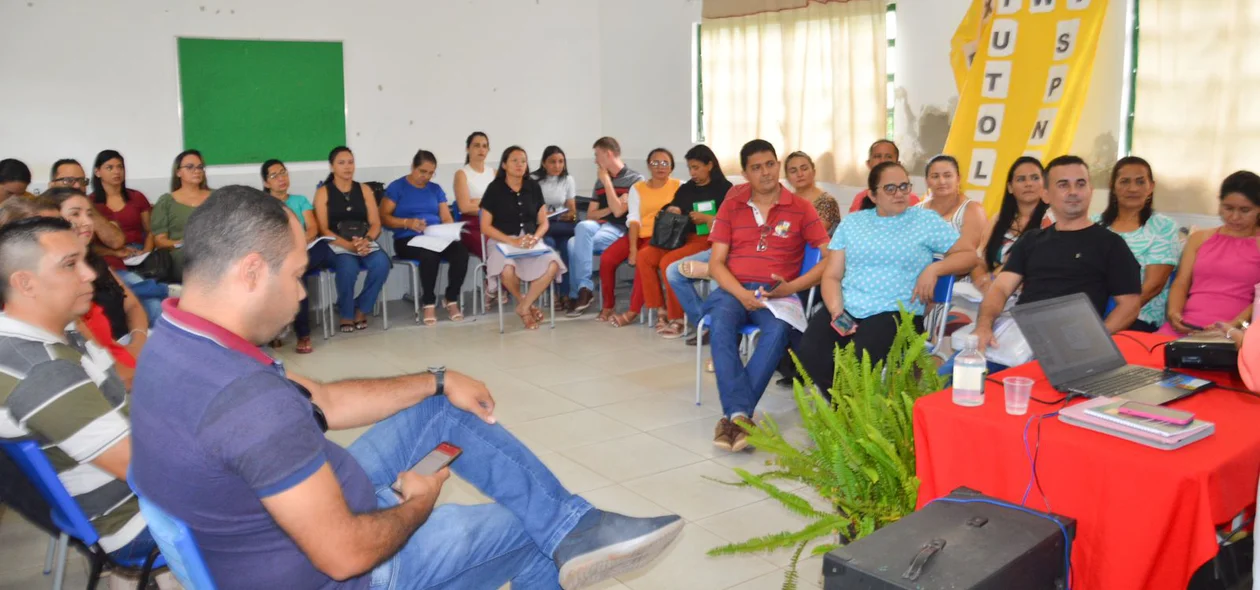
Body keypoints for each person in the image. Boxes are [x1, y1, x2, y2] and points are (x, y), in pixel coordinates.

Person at [129, 185, 682, 589]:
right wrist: (418, 505)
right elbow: (344, 556)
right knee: (527, 525)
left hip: (292, 521)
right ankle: (564, 531)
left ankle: (575, 524)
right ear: (251, 272)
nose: (301, 295)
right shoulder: (246, 403)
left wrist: (436, 379)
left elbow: (322, 400)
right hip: (348, 566)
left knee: (442, 406)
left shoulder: (173, 342)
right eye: (297, 275)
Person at [0, 216, 176, 590]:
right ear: (24, 283)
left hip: (125, 496)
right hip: (134, 519)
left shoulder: (55, 334)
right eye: (69, 264)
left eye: (85, 259)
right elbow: (143, 469)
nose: (90, 275)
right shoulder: (41, 370)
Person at [797, 162, 978, 387]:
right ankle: (847, 413)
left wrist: (935, 268)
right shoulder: (854, 223)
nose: (899, 194)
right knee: (810, 353)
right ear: (873, 195)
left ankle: (850, 415)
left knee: (858, 361)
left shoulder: (925, 221)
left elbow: (969, 256)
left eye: (904, 186)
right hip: (847, 308)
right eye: (890, 188)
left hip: (897, 312)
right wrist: (837, 312)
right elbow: (832, 275)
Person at [706, 140, 831, 452]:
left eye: (770, 164)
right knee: (721, 326)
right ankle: (741, 415)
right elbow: (716, 263)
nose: (766, 173)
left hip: (778, 293)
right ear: (745, 173)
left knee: (776, 331)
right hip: (733, 288)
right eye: (756, 167)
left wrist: (794, 286)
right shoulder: (732, 204)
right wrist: (740, 294)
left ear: (777, 165)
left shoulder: (801, 208)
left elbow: (831, 256)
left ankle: (734, 416)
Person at [974, 155, 1142, 352]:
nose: (1073, 192)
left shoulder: (1111, 245)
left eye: (1080, 184)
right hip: (1019, 335)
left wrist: (1096, 338)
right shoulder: (1031, 241)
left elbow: (1130, 304)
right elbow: (1000, 289)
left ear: (1090, 191)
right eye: (1063, 185)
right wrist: (984, 326)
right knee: (953, 374)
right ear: (1045, 194)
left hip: (1070, 344)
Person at [44, 187, 151, 383]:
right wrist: (134, 354)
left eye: (89, 214)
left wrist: (138, 340)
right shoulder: (56, 278)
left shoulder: (95, 261)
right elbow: (99, 354)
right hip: (106, 362)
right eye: (75, 214)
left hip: (129, 343)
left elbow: (133, 305)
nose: (87, 222)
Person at [646, 145, 733, 339]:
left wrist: (708, 219)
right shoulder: (686, 188)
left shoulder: (725, 189)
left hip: (709, 241)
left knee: (668, 263)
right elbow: (675, 205)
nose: (692, 172)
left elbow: (731, 222)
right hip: (681, 238)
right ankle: (662, 311)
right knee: (645, 256)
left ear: (709, 165)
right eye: (690, 168)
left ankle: (679, 318)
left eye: (696, 167)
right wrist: (673, 209)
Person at [1160, 171, 1260, 336]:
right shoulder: (1199, 238)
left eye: (1245, 210)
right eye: (1228, 208)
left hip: (1235, 332)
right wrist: (1174, 314)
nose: (1234, 217)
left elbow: (1258, 303)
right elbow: (1181, 282)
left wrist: (1232, 327)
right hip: (1188, 324)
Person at [480, 146, 566, 330]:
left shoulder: (533, 187)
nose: (520, 165)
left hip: (529, 241)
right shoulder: (495, 189)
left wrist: (535, 238)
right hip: (502, 241)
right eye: (514, 161)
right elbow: (485, 226)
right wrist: (512, 241)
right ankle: (525, 306)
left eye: (523, 161)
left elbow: (544, 223)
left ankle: (524, 307)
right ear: (504, 165)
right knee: (507, 270)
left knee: (553, 264)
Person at [1094, 157, 1182, 333]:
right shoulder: (1094, 224)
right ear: (1113, 185)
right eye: (1124, 181)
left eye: (1140, 182)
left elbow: (1153, 286)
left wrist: (1115, 316)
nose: (1132, 188)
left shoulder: (1163, 227)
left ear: (1151, 186)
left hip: (1138, 316)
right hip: (1093, 310)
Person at [384, 149, 469, 325]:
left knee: (460, 252)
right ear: (413, 167)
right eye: (423, 171)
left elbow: (446, 217)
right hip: (407, 238)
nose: (426, 177)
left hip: (434, 236)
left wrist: (448, 230)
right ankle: (428, 302)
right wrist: (407, 223)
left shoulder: (435, 189)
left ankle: (451, 298)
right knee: (429, 256)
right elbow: (384, 217)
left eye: (431, 173)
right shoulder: (397, 187)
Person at [89, 150, 173, 325]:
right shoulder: (90, 203)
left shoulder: (136, 197)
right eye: (110, 167)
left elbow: (150, 231)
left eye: (120, 167)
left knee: (151, 303)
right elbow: (90, 245)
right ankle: (169, 291)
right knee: (137, 291)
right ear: (98, 172)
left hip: (140, 255)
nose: (116, 171)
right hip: (110, 258)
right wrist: (117, 252)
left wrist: (146, 251)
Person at [314, 146, 391, 332]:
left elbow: (375, 223)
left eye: (351, 162)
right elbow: (322, 228)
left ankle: (362, 309)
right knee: (348, 267)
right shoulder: (324, 192)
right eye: (341, 163)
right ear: (332, 167)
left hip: (363, 241)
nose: (347, 167)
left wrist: (366, 241)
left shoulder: (364, 190)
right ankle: (346, 314)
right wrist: (349, 246)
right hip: (336, 243)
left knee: (382, 263)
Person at [564, 137, 645, 316]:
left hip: (619, 230)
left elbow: (618, 214)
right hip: (599, 226)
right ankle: (585, 289)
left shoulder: (635, 179)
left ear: (608, 154)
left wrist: (608, 184)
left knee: (572, 244)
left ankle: (576, 293)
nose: (595, 160)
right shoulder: (599, 182)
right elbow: (592, 213)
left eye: (597, 155)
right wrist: (613, 205)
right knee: (583, 226)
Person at [601, 148, 681, 327]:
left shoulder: (679, 186)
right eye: (655, 163)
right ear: (648, 166)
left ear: (671, 167)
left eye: (665, 163)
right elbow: (634, 219)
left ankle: (633, 311)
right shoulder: (638, 188)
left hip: (661, 238)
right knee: (607, 259)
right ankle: (608, 305)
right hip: (638, 235)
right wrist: (632, 248)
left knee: (642, 264)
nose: (660, 167)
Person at [263, 159, 330, 353]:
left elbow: (312, 228)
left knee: (296, 272)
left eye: (283, 172)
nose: (281, 178)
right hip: (278, 254)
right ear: (267, 183)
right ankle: (285, 330)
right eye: (274, 175)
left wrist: (300, 242)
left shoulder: (300, 200)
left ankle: (298, 333)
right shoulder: (264, 205)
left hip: (303, 250)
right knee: (289, 275)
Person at [974, 157, 1052, 291]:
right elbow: (980, 259)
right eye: (1021, 179)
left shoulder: (1051, 219)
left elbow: (1026, 263)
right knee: (955, 311)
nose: (1028, 184)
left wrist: (993, 280)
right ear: (1010, 187)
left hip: (1027, 293)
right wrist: (981, 280)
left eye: (1035, 178)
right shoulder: (999, 219)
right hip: (987, 289)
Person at [152, 149, 212, 280]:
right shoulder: (166, 201)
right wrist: (181, 243)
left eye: (200, 167)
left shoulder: (216, 197)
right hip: (183, 254)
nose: (196, 170)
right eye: (190, 167)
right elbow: (159, 240)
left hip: (214, 249)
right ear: (178, 172)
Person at [533, 145, 579, 307]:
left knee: (567, 248)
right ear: (544, 163)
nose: (557, 166)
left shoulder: (568, 180)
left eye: (561, 162)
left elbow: (572, 209)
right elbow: (530, 210)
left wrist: (570, 215)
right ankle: (551, 292)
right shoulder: (534, 180)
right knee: (550, 248)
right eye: (552, 162)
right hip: (543, 227)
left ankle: (565, 293)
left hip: (561, 225)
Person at [847, 140, 920, 212]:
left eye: (888, 156)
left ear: (897, 164)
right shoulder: (860, 199)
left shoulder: (911, 200)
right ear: (869, 163)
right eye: (877, 156)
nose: (882, 161)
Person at [784, 151, 841, 234]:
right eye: (793, 171)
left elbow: (814, 234)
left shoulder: (827, 202)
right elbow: (780, 232)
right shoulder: (785, 203)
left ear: (813, 172)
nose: (799, 174)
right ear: (787, 177)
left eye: (804, 169)